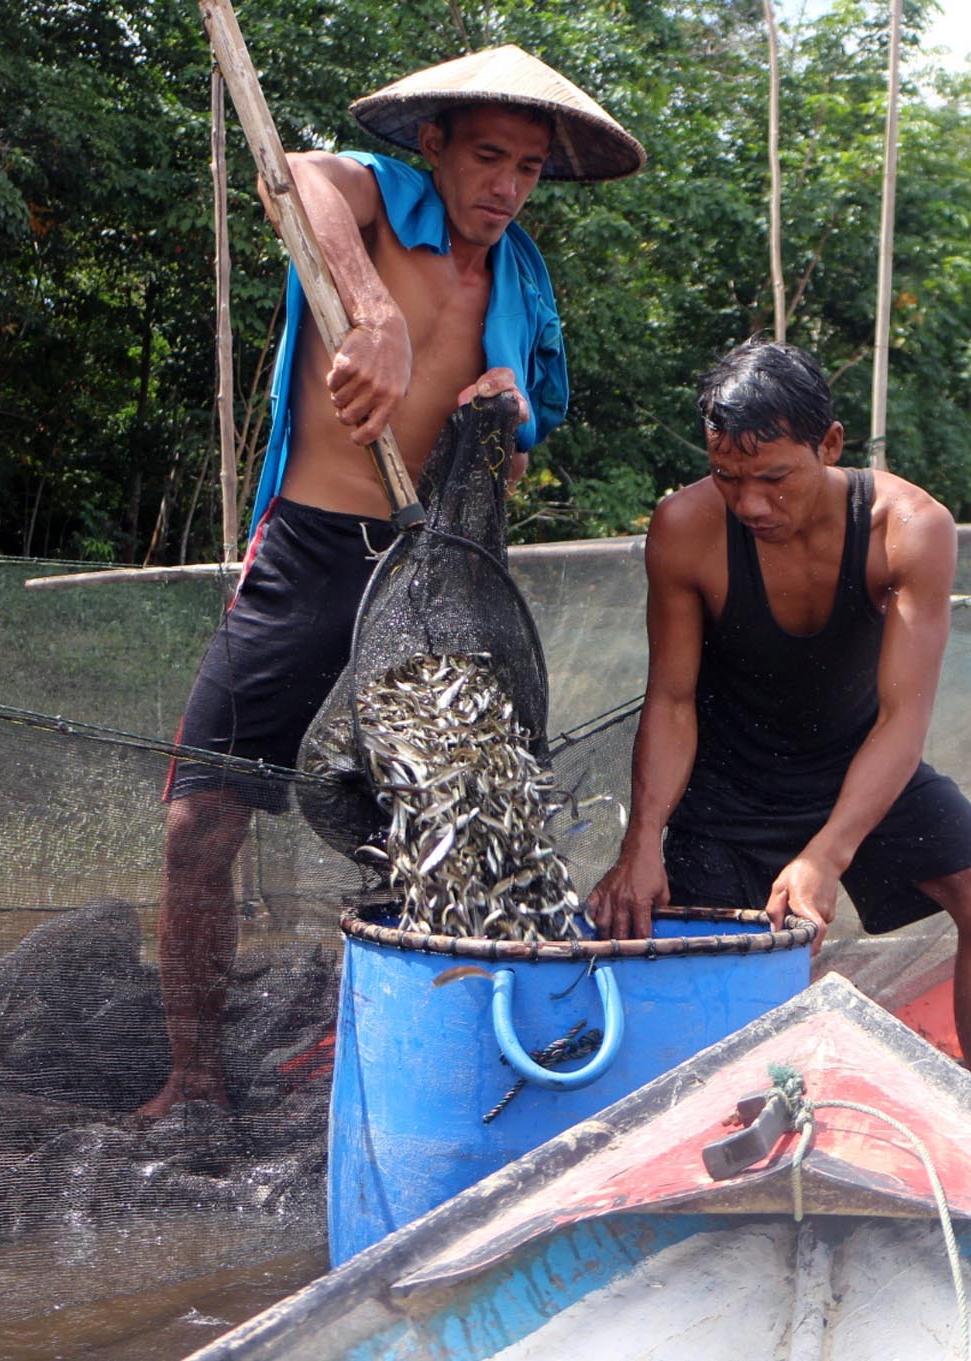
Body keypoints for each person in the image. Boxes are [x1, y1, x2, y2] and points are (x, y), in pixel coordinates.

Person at [141, 48, 644, 1120]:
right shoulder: (381, 199)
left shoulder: (523, 280)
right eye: (488, 157)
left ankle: (432, 1059)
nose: (506, 187)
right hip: (311, 553)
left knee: (447, 826)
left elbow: (527, 438)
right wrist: (371, 312)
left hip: (438, 574)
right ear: (435, 145)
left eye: (528, 168)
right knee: (200, 819)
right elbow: (295, 177)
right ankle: (193, 1075)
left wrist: (508, 412)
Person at [585, 339, 971, 1098]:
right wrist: (642, 841)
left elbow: (903, 718)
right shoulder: (685, 527)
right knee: (732, 961)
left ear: (829, 445)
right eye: (728, 477)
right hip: (730, 785)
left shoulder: (909, 526)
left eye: (774, 478)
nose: (751, 504)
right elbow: (672, 700)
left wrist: (827, 854)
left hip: (861, 762)